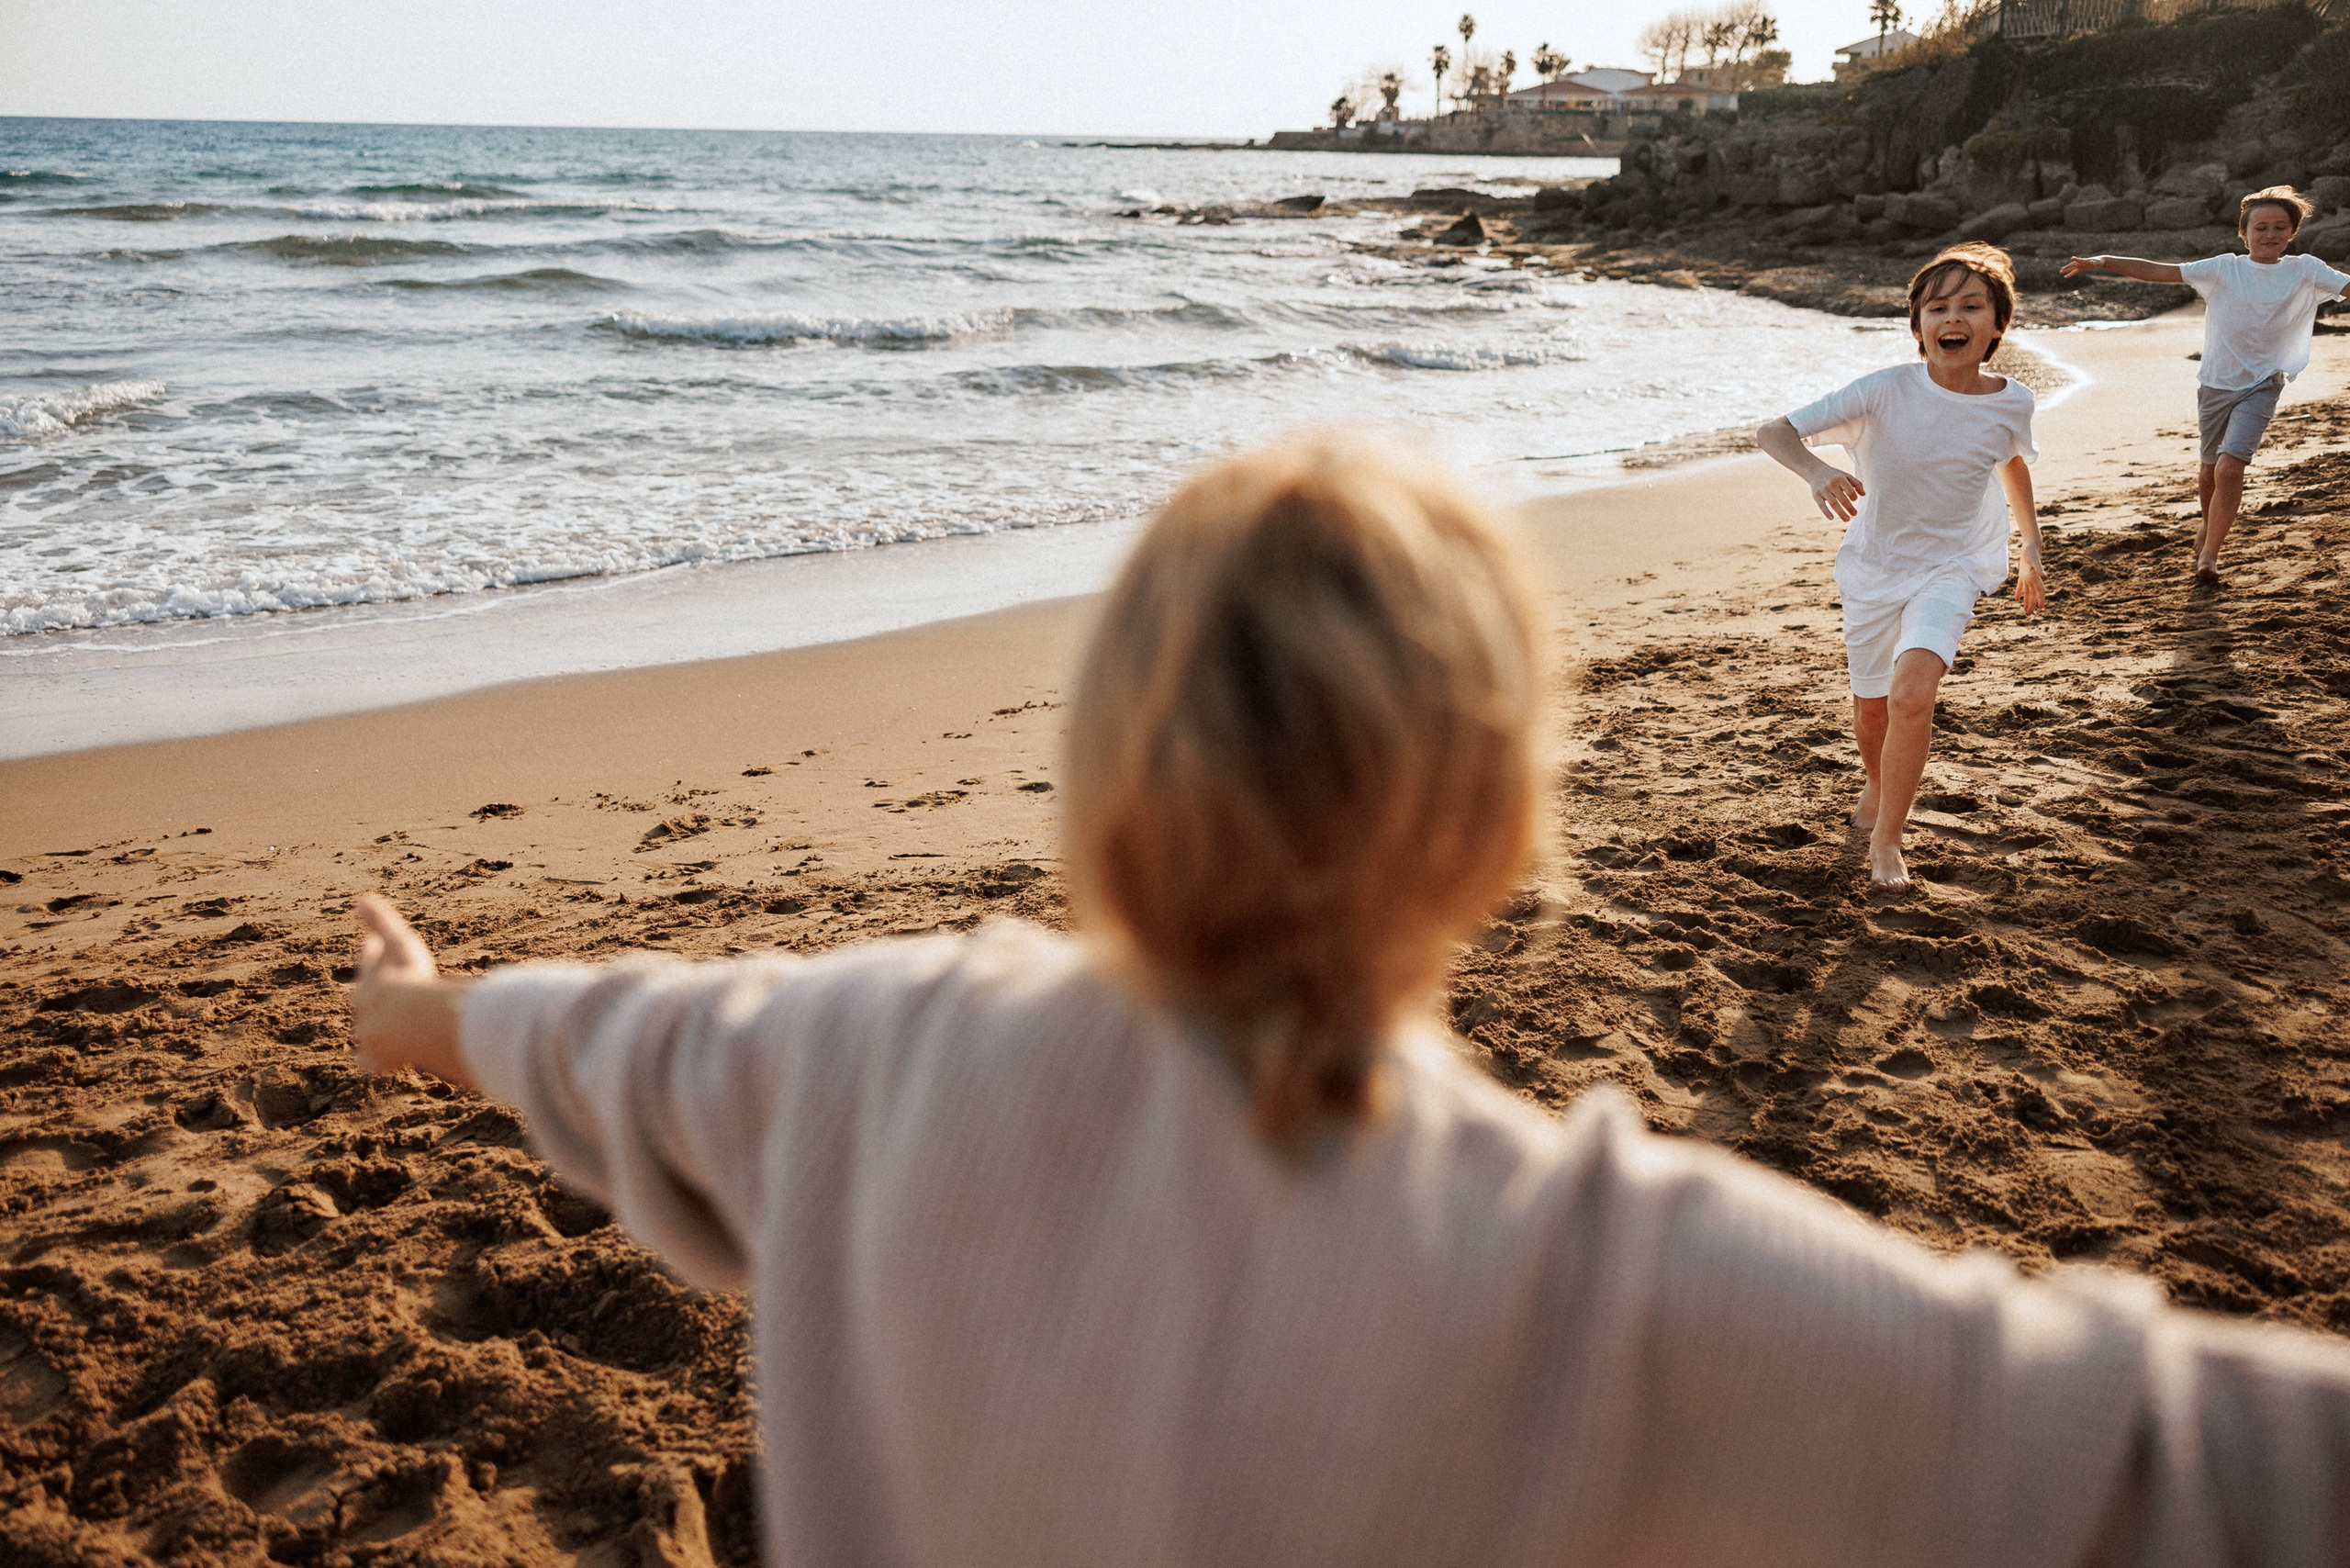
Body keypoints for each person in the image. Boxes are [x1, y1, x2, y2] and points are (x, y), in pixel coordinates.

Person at [353, 437, 2350, 1568]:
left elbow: (559, 1032)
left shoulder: (853, 1049)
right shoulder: (1599, 1266)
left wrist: (417, 1003)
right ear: (1494, 827)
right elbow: (2188, 1457)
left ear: (1110, 765)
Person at [1756, 241, 2045, 890]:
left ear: (1997, 325)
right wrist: (1816, 470)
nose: (1955, 317)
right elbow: (1774, 431)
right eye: (1938, 307)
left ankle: (1888, 839)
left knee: (1912, 695)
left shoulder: (2011, 402)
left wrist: (2029, 542)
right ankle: (1878, 781)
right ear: (1917, 328)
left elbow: (2011, 460)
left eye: (1972, 306)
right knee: (1871, 713)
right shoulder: (1886, 390)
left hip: (1950, 567)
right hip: (1873, 570)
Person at [2062, 185, 2350, 583]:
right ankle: (2208, 522)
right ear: (2243, 233)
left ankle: (2209, 557)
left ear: (2292, 233)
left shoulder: (2307, 270)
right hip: (2215, 383)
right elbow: (2161, 272)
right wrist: (2105, 261)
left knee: (2230, 468)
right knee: (2209, 469)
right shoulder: (2223, 268)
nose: (2270, 235)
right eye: (2261, 227)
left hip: (2264, 382)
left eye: (2280, 227)